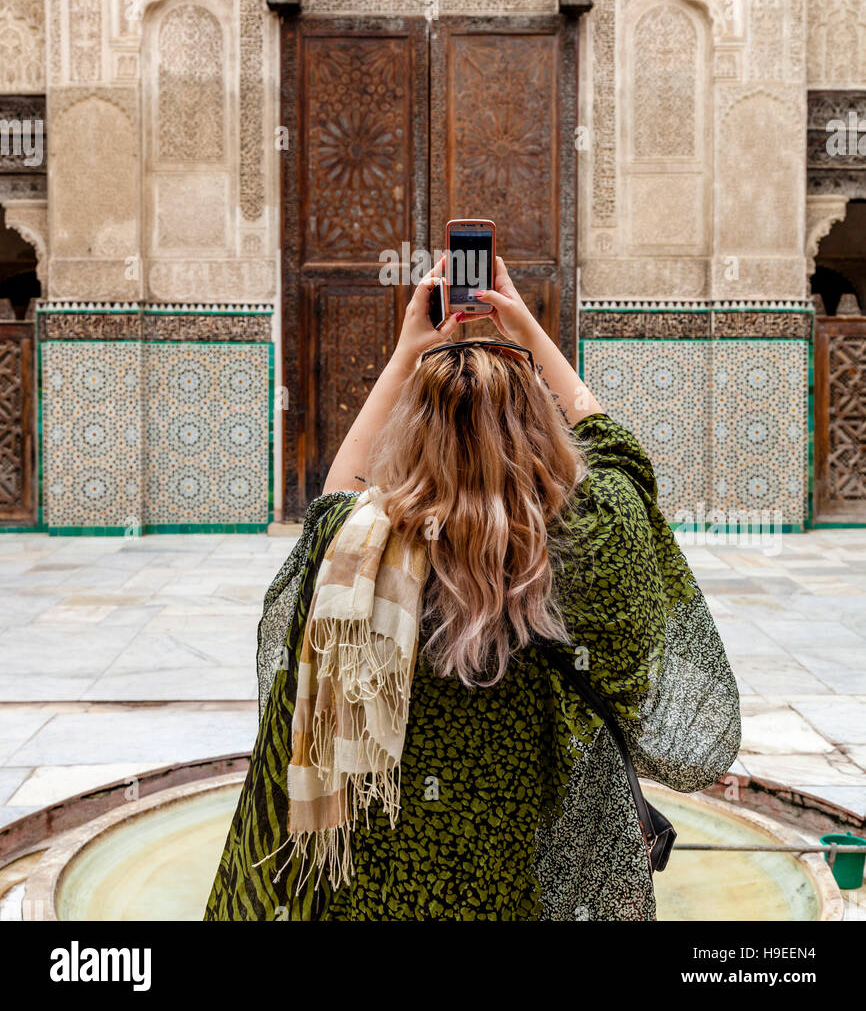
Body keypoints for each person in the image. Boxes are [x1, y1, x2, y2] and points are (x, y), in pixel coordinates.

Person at [206, 254, 740, 921]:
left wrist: (406, 354)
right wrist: (527, 332)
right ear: (539, 428)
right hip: (524, 872)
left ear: (414, 433)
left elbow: (333, 497)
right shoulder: (592, 534)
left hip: (386, 882)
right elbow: (619, 453)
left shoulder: (356, 547)